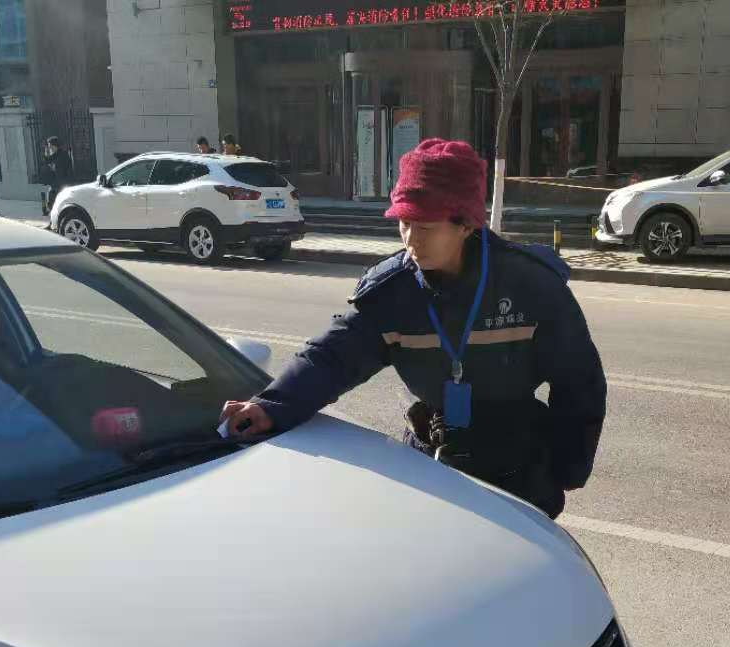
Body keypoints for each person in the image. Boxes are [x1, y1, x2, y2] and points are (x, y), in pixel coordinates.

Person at [219, 138, 606, 519]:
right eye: (404, 223)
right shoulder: (394, 294)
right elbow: (333, 358)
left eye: (425, 226)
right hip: (431, 467)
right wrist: (272, 406)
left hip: (519, 477)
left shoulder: (531, 287)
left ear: (466, 225)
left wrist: (569, 466)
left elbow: (579, 381)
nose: (410, 239)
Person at [41, 136, 75, 217]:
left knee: (58, 203)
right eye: (49, 146)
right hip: (56, 184)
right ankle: (53, 219)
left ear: (55, 145)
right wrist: (46, 150)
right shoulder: (55, 154)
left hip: (62, 184)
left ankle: (58, 218)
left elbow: (67, 171)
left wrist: (66, 184)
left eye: (50, 146)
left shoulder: (63, 155)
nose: (50, 148)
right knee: (51, 202)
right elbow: (46, 161)